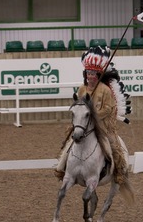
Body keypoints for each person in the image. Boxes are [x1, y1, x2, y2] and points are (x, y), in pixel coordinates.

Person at [55, 46, 130, 185]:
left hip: (103, 125)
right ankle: (61, 168)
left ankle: (119, 171)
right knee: (69, 142)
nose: (90, 76)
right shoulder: (82, 89)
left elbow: (108, 108)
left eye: (93, 74)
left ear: (98, 75)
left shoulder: (105, 90)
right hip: (84, 123)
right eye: (88, 73)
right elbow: (79, 105)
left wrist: (94, 115)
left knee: (113, 145)